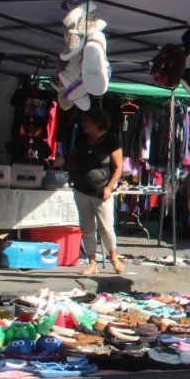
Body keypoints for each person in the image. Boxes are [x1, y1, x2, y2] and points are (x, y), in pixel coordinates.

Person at [67, 107, 124, 276]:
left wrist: (109, 187)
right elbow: (71, 157)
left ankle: (113, 257)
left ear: (97, 122)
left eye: (86, 121)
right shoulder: (82, 138)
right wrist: (71, 175)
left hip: (101, 192)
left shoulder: (111, 140)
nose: (83, 124)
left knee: (106, 227)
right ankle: (92, 262)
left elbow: (118, 167)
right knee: (87, 227)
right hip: (81, 189)